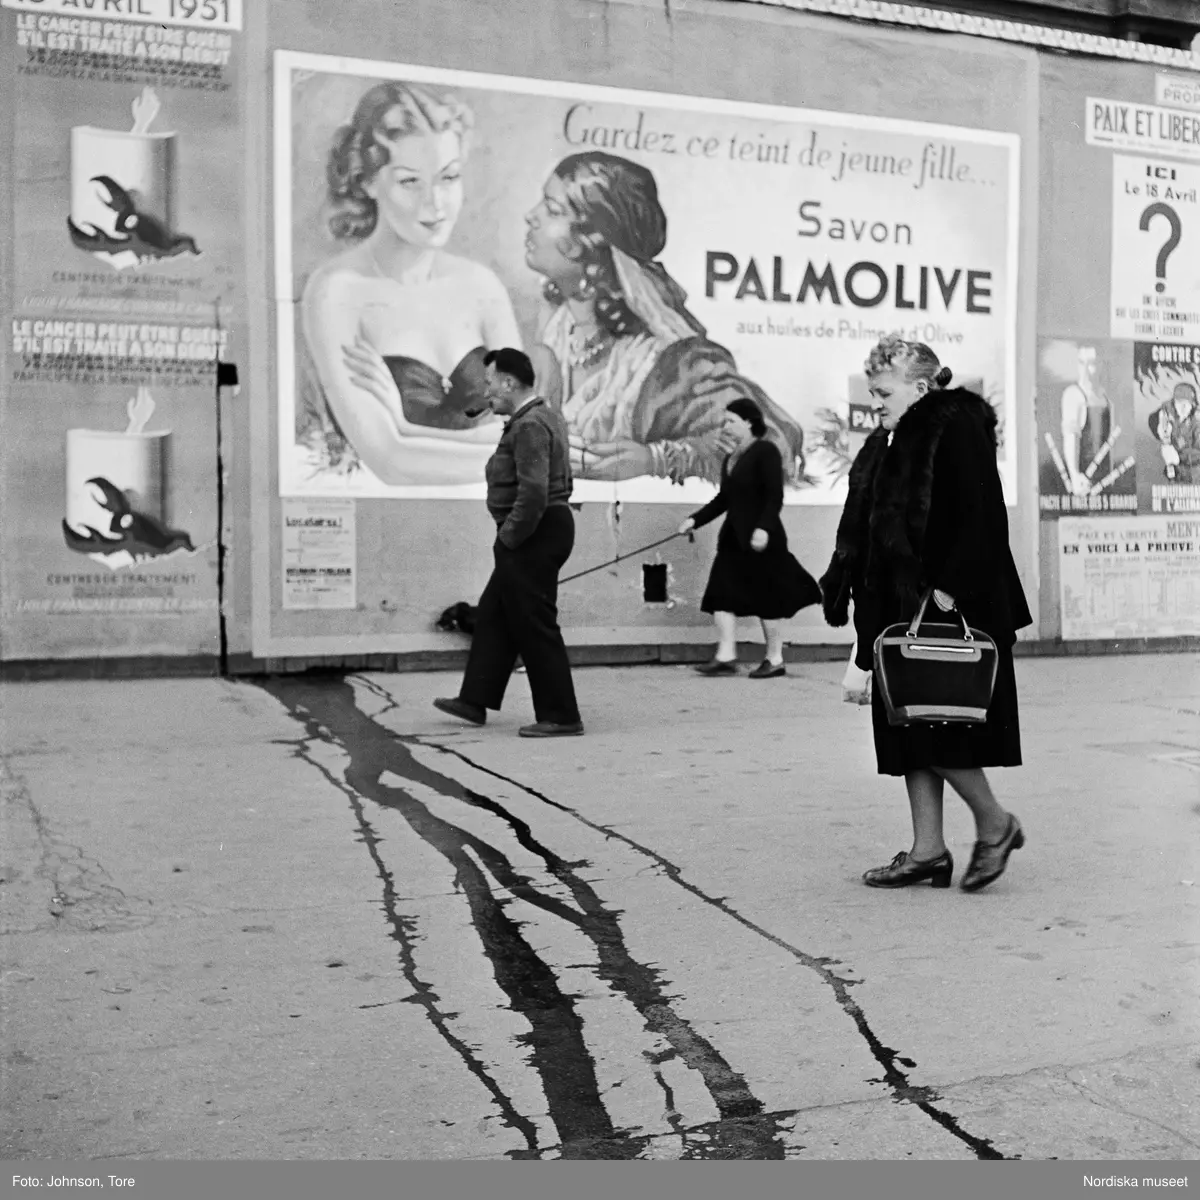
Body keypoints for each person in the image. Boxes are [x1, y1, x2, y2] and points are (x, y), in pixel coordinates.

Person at [820, 335, 1032, 893]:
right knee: (910, 727)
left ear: (919, 386)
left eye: (883, 391)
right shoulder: (889, 440)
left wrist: (946, 594)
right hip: (899, 607)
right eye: (871, 392)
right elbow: (867, 530)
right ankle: (928, 851)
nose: (875, 402)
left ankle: (995, 824)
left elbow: (979, 515)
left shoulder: (953, 426)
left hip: (949, 603)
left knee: (941, 727)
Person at [524, 150, 810, 487]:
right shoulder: (556, 329)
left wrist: (656, 459)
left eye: (553, 210)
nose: (531, 216)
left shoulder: (669, 363)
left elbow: (772, 444)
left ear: (594, 243)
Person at [299, 81, 522, 487]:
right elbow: (390, 462)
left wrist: (405, 428)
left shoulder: (482, 287)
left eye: (449, 177)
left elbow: (531, 436)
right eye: (410, 182)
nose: (435, 203)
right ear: (367, 181)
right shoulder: (337, 292)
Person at [434, 348, 583, 738]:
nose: (487, 394)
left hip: (533, 531)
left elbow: (533, 494)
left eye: (489, 384)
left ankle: (562, 715)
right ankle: (474, 700)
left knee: (534, 624)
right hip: (539, 528)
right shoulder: (538, 417)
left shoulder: (531, 425)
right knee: (496, 615)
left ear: (509, 383)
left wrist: (509, 537)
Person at [679, 399, 821, 677]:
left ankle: (775, 659)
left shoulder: (765, 451)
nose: (725, 426)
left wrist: (764, 529)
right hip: (733, 538)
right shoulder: (732, 457)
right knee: (720, 596)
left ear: (749, 422)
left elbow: (774, 495)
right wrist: (694, 520)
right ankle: (726, 656)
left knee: (767, 599)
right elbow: (724, 500)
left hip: (761, 539)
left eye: (730, 420)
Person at [1060, 346, 1113, 494]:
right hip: (1084, 482)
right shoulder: (1074, 395)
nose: (1084, 369)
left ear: (1100, 365)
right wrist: (1074, 475)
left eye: (1090, 363)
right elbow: (1070, 439)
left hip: (1105, 480)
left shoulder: (1105, 397)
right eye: (1081, 363)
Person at [1149, 381, 1200, 484]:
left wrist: (1178, 446)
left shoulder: (1196, 420)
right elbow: (1154, 420)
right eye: (1179, 404)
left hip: (1194, 465)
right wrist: (1161, 433)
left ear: (1192, 405)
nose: (1183, 408)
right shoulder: (1167, 411)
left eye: (1186, 404)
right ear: (1174, 403)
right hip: (1175, 465)